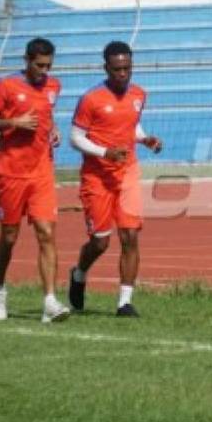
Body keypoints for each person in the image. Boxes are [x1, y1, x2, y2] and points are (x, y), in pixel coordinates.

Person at [67, 41, 163, 317]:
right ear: (106, 68)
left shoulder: (138, 94)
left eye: (127, 68)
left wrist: (145, 139)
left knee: (130, 235)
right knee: (100, 242)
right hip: (97, 176)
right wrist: (105, 152)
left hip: (128, 172)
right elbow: (75, 138)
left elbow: (131, 125)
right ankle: (79, 273)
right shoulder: (91, 99)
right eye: (117, 69)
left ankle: (125, 302)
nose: (123, 74)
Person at [0, 37, 69, 324]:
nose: (44, 71)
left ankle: (50, 302)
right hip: (11, 173)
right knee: (9, 236)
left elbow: (46, 116)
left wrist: (53, 130)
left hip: (41, 171)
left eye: (48, 66)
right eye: (40, 65)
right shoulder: (6, 86)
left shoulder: (54, 87)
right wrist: (12, 123)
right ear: (27, 61)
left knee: (46, 232)